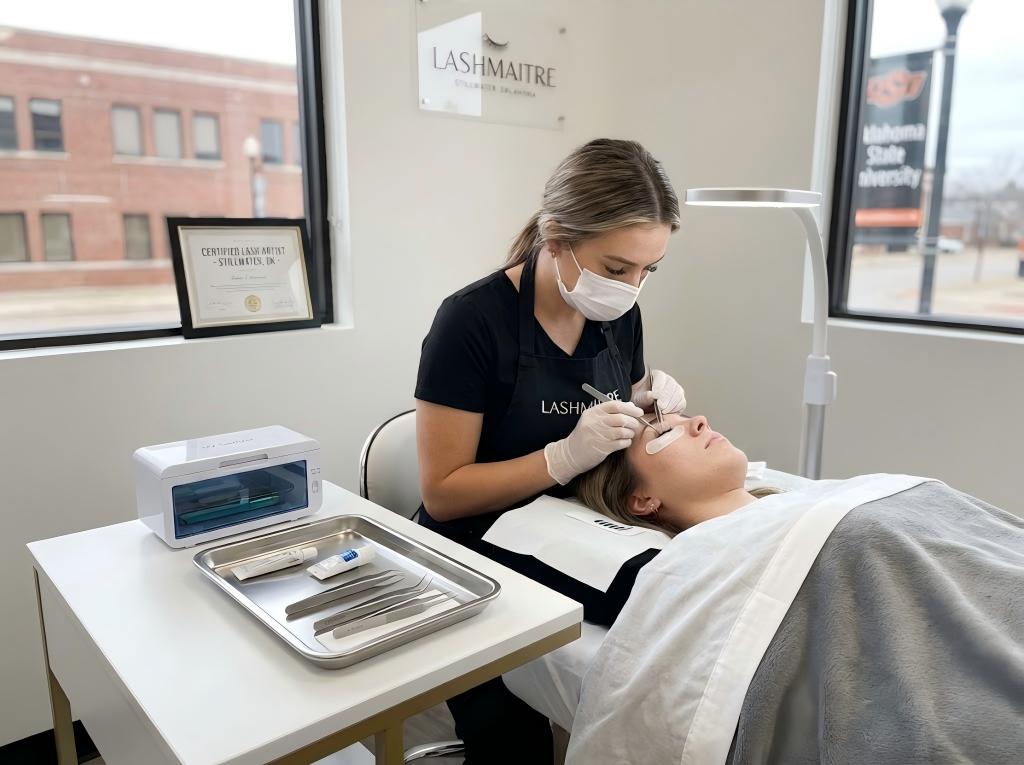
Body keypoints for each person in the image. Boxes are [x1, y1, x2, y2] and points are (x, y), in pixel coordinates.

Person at [414, 138, 686, 764]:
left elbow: (613, 401)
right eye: (618, 268)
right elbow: (443, 493)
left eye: (650, 270)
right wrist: (561, 458)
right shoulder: (470, 322)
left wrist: (646, 404)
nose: (632, 287)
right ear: (557, 237)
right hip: (474, 538)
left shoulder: (619, 311)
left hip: (576, 516)